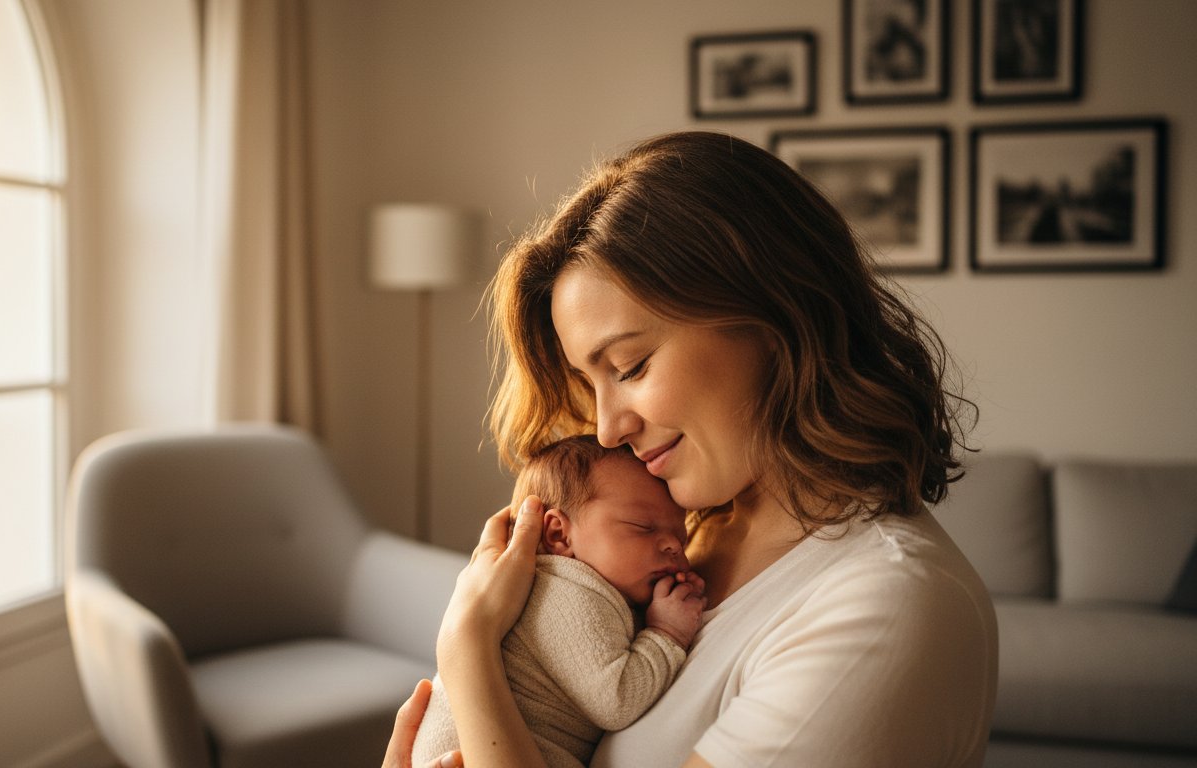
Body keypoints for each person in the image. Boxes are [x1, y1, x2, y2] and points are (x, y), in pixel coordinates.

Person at [383, 130, 997, 768]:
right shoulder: (683, 532)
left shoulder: (883, 610)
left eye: (631, 365)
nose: (606, 428)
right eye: (588, 383)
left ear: (772, 315)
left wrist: (466, 645)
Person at [412, 434, 705, 767]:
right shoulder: (566, 591)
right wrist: (666, 634)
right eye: (642, 527)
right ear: (558, 534)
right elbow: (617, 700)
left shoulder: (602, 588)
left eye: (682, 537)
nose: (673, 546)